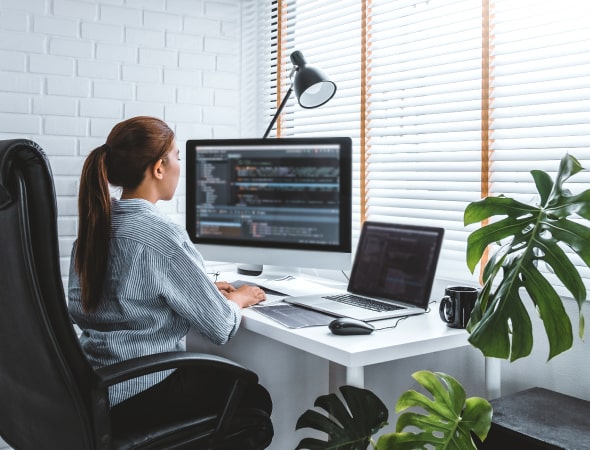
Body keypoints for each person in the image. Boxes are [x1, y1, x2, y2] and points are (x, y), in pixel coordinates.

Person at [68, 116, 272, 433]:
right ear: (159, 168)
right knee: (254, 400)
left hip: (96, 391)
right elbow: (221, 327)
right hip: (140, 391)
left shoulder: (94, 229)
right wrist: (242, 297)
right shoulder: (163, 236)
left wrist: (199, 289)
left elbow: (105, 300)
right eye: (177, 156)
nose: (180, 165)